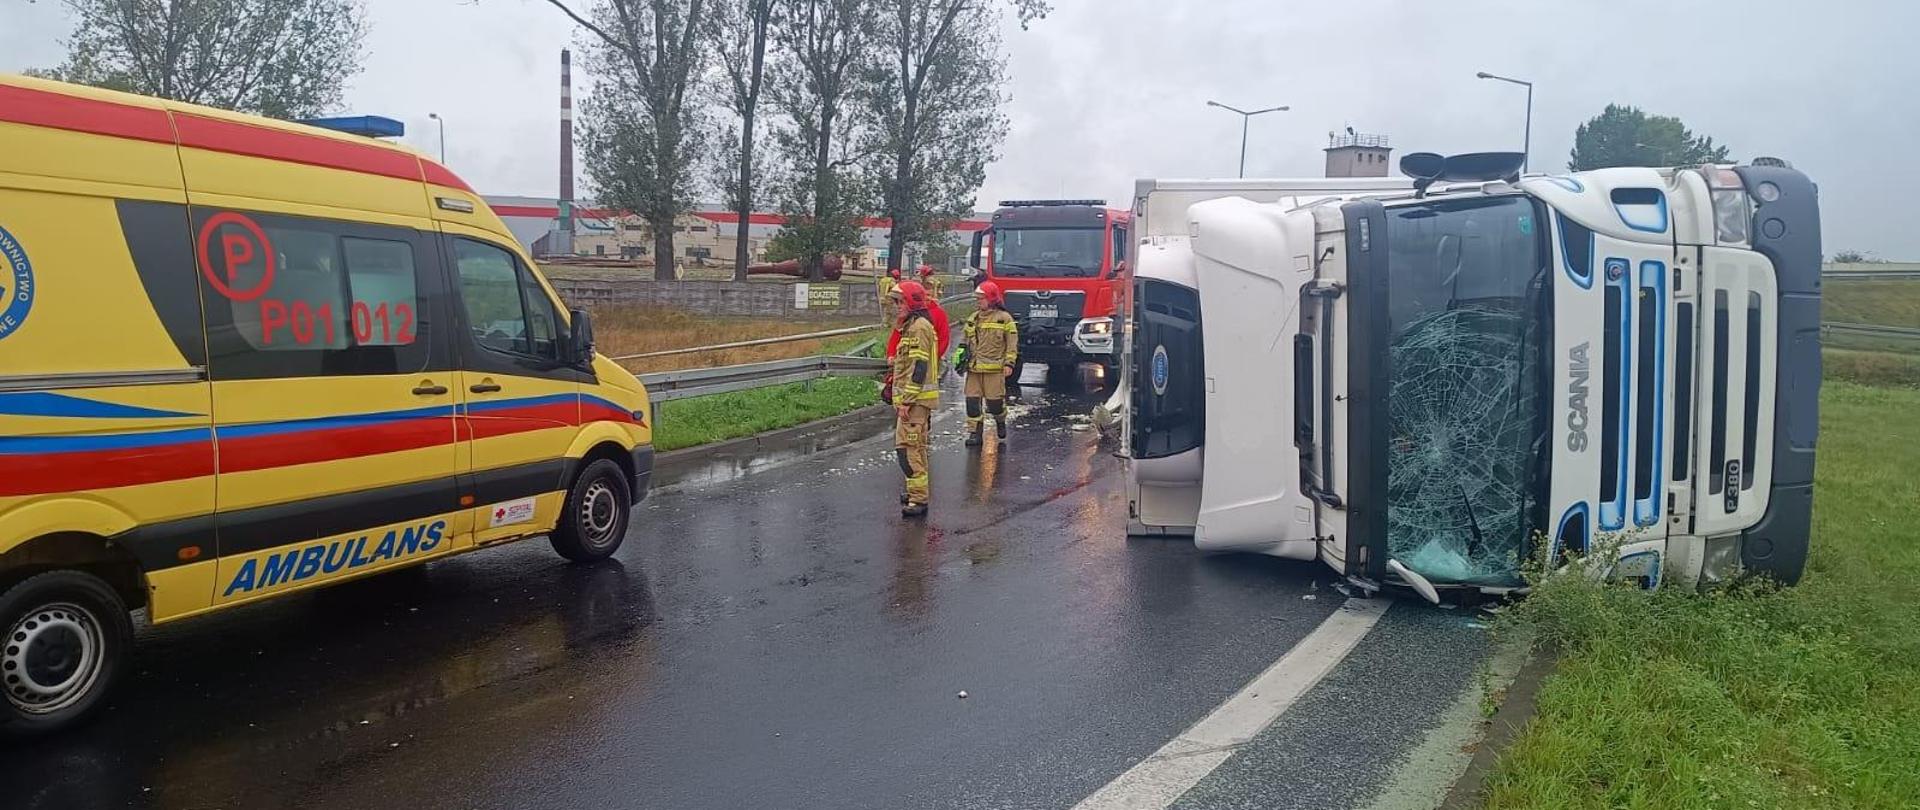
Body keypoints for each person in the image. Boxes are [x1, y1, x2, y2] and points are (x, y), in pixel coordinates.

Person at [888, 281, 940, 517]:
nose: (897, 306)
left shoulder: (919, 327)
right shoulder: (911, 326)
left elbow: (919, 367)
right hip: (912, 401)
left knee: (907, 450)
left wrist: (907, 400)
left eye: (900, 301)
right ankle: (916, 492)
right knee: (915, 448)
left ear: (912, 302)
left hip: (915, 402)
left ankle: (919, 499)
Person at [956, 281, 1019, 447]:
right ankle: (975, 433)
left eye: (981, 298)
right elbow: (964, 342)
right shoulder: (973, 318)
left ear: (991, 299)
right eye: (977, 298)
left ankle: (1000, 420)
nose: (978, 301)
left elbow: (1012, 344)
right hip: (974, 369)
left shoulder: (1004, 319)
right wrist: (960, 358)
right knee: (972, 402)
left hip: (994, 370)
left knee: (994, 404)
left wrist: (1009, 363)